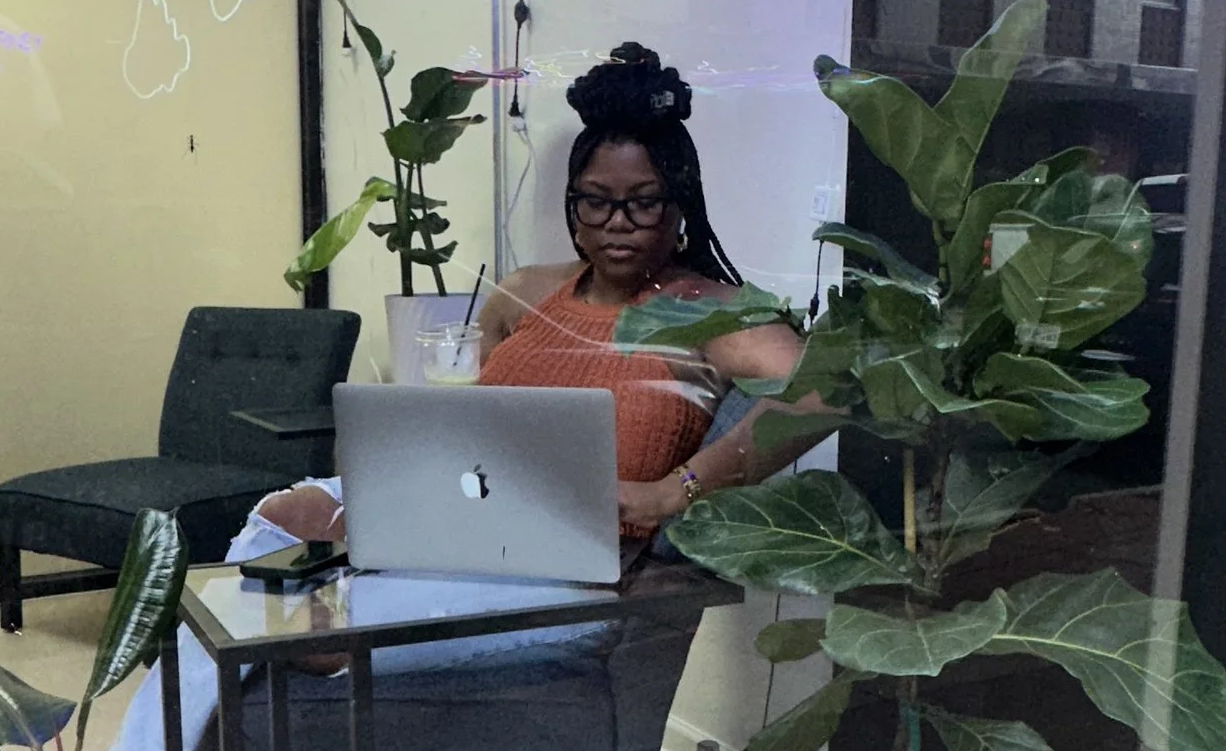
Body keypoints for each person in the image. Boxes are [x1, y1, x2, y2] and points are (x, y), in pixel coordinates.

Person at [259, 42, 815, 546]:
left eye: (644, 202)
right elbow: (454, 422)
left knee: (316, 592)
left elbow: (822, 392)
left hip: (576, 559)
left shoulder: (711, 311)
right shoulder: (525, 291)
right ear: (572, 205)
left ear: (680, 208)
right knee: (286, 517)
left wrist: (675, 490)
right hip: (464, 522)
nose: (617, 221)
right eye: (595, 200)